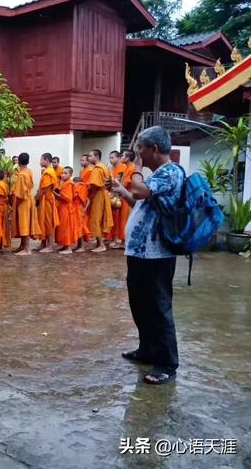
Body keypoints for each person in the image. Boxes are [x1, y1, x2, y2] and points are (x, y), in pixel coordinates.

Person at [109, 126, 184, 385]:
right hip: (140, 252)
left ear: (153, 149)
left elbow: (140, 190)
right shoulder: (156, 176)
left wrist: (137, 168)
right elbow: (138, 201)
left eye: (140, 147)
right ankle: (147, 349)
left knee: (159, 307)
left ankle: (166, 363)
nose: (137, 151)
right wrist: (123, 192)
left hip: (157, 254)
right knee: (140, 304)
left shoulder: (171, 172)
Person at [11, 153, 41, 255]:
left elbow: (21, 194)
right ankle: (22, 246)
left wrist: (15, 204)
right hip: (29, 199)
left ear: (19, 162)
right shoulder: (29, 171)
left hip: (23, 201)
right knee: (24, 223)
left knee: (24, 224)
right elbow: (31, 185)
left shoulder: (21, 175)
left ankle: (27, 249)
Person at [87, 149, 113, 253]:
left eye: (90, 156)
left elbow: (95, 184)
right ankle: (98, 243)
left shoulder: (97, 169)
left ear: (96, 157)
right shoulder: (104, 167)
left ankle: (101, 245)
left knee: (95, 219)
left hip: (98, 195)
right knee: (100, 219)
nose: (89, 158)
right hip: (104, 194)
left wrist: (86, 188)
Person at [36, 153, 60, 252]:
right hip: (45, 200)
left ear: (46, 160)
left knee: (49, 223)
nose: (40, 162)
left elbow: (45, 189)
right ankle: (43, 243)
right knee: (43, 222)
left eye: (41, 160)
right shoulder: (48, 171)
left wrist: (36, 198)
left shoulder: (48, 172)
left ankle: (49, 246)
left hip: (47, 200)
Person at [114, 150, 136, 249]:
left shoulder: (132, 168)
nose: (121, 157)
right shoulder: (127, 167)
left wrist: (115, 188)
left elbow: (125, 184)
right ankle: (123, 241)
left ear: (128, 158)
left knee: (125, 219)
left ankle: (125, 242)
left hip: (129, 196)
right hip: (124, 195)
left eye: (122, 156)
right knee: (122, 219)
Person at [54, 167, 78, 254]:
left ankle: (68, 248)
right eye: (62, 173)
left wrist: (56, 195)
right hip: (62, 208)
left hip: (67, 208)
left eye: (65, 173)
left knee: (66, 228)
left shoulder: (69, 183)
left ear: (71, 175)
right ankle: (64, 245)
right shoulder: (64, 183)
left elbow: (68, 198)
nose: (63, 175)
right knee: (62, 227)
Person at [108, 150, 127, 248]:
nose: (110, 160)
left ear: (119, 158)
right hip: (113, 193)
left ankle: (117, 239)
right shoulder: (112, 168)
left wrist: (116, 193)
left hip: (120, 195)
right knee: (113, 219)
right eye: (109, 158)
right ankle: (114, 238)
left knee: (120, 218)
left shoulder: (123, 167)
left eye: (112, 158)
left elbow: (120, 181)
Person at [72, 177, 90, 252]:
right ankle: (79, 245)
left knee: (80, 227)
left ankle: (82, 246)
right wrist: (85, 207)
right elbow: (88, 199)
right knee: (79, 227)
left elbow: (74, 195)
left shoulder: (79, 187)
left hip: (78, 209)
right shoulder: (84, 187)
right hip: (81, 209)